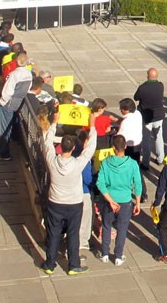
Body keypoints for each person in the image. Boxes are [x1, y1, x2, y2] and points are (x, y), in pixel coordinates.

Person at [40, 108, 100, 275]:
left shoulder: (52, 160)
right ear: (73, 148)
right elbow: (91, 148)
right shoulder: (78, 163)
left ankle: (49, 264)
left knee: (53, 233)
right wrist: (93, 126)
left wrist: (54, 122)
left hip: (55, 202)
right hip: (74, 203)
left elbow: (46, 142)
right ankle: (73, 265)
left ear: (60, 148)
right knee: (73, 234)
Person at [96, 134, 142, 266]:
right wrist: (137, 203)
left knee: (106, 226)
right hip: (125, 201)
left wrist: (110, 200)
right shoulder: (132, 164)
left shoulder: (106, 163)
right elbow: (137, 184)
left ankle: (104, 253)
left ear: (113, 147)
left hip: (109, 201)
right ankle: (118, 256)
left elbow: (100, 183)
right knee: (122, 229)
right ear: (125, 147)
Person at [0, 52, 33, 161]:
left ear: (16, 62)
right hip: (19, 101)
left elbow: (7, 91)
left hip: (9, 103)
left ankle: (4, 153)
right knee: (11, 125)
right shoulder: (28, 74)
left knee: (4, 127)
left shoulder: (14, 75)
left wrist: (1, 102)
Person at [134, 68, 166, 167]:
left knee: (146, 139)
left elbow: (136, 97)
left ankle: (146, 163)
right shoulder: (160, 86)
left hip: (147, 117)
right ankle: (160, 159)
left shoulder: (142, 87)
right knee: (158, 137)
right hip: (158, 116)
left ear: (148, 75)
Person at [117, 98, 147, 202]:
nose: (120, 110)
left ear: (126, 109)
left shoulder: (126, 122)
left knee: (128, 170)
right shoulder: (138, 114)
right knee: (137, 169)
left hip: (129, 148)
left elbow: (119, 137)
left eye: (121, 109)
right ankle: (143, 194)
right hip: (138, 144)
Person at [76, 132, 95, 252]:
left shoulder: (74, 155)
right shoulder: (84, 159)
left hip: (74, 192)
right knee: (85, 218)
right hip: (84, 192)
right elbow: (88, 179)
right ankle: (82, 241)